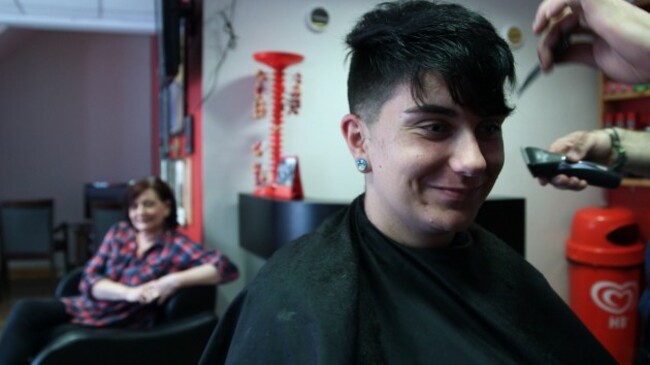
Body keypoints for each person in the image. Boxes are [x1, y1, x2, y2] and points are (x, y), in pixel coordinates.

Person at [199, 1, 615, 364]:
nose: (474, 162)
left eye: (489, 127)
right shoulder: (294, 298)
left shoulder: (509, 277)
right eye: (434, 127)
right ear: (358, 138)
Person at [0, 176, 239, 364]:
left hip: (120, 319)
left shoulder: (175, 245)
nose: (140, 212)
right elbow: (89, 279)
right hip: (88, 305)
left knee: (29, 317)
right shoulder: (119, 233)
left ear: (166, 208)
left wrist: (172, 280)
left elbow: (226, 268)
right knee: (26, 311)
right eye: (134, 206)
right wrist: (128, 292)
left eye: (148, 204)